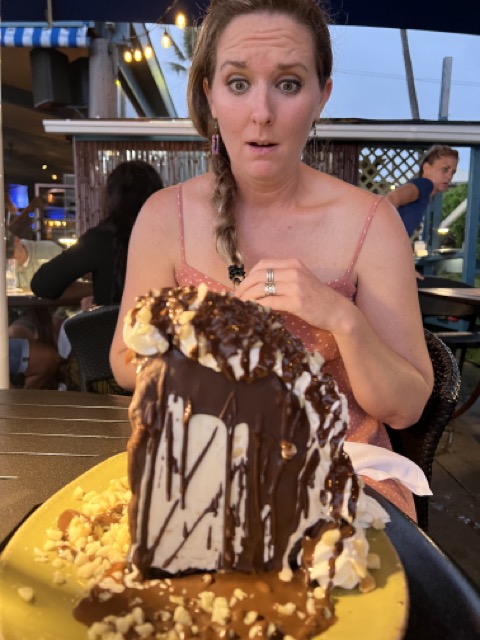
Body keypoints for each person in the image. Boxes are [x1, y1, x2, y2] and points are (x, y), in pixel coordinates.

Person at [110, 0, 433, 521]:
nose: (262, 112)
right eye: (238, 83)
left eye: (288, 84)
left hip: (342, 475)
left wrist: (340, 318)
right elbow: (124, 363)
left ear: (321, 96)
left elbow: (407, 405)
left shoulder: (373, 224)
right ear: (210, 93)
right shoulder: (162, 217)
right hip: (200, 469)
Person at [31, 160, 164, 307]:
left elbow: (42, 284)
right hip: (169, 327)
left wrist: (100, 289)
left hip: (113, 328)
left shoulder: (102, 239)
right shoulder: (172, 237)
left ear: (112, 198)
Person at [386, 145, 459, 238]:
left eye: (453, 172)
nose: (449, 177)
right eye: (445, 170)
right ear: (426, 168)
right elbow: (391, 199)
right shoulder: (425, 184)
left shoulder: (425, 193)